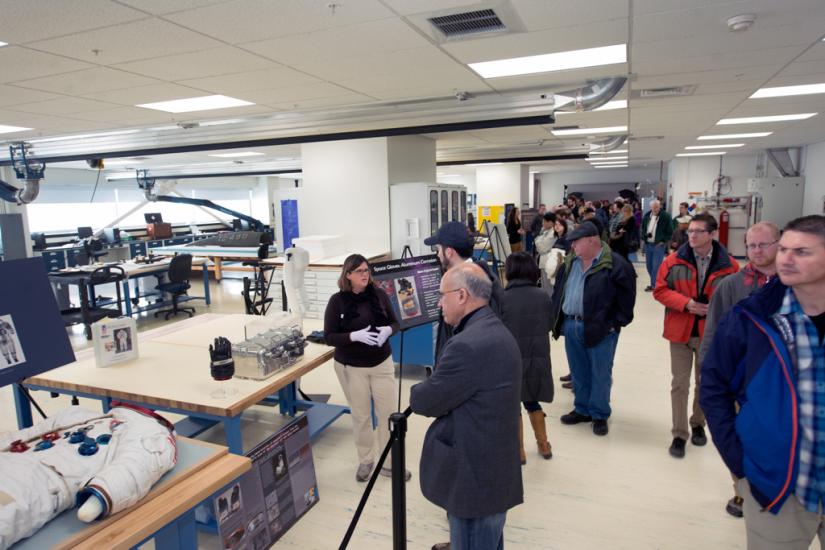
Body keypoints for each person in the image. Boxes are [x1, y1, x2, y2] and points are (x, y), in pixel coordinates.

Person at [701, 215, 825, 549]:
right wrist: (741, 464)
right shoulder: (752, 317)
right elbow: (713, 386)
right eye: (783, 249)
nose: (786, 258)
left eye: (801, 251)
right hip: (778, 487)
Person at [411, 263, 523, 550]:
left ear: (461, 295)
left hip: (475, 479)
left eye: (442, 295)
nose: (439, 302)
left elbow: (427, 400)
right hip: (494, 471)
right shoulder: (494, 328)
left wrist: (416, 389)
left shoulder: (468, 345)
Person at [697, 221, 779, 518]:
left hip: (778, 384)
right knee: (741, 436)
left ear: (778, 244)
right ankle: (741, 489)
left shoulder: (794, 284)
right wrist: (707, 370)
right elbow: (713, 330)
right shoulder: (732, 286)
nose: (757, 251)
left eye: (764, 244)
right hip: (738, 379)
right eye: (751, 245)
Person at [653, 213, 739, 459]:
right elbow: (660, 290)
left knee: (704, 383)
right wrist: (687, 303)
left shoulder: (729, 266)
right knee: (679, 384)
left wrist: (712, 308)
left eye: (698, 231)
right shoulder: (672, 261)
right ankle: (679, 434)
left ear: (712, 234)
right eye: (690, 231)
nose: (691, 235)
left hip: (710, 334)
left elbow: (733, 299)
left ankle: (697, 423)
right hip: (679, 331)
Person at [323, 254, 407, 482]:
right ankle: (366, 460)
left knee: (388, 414)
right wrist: (353, 336)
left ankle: (389, 463)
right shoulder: (336, 301)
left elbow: (395, 322)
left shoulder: (379, 295)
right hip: (352, 367)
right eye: (359, 271)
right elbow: (329, 337)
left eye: (366, 270)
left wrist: (388, 331)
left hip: (381, 363)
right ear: (348, 275)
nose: (365, 274)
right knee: (361, 416)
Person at [551, 221, 637, 435]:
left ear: (592, 241)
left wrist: (613, 324)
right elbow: (558, 291)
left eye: (576, 242)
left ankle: (599, 414)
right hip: (572, 325)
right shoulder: (570, 263)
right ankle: (582, 409)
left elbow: (626, 302)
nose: (572, 247)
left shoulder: (616, 265)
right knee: (578, 371)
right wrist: (558, 319)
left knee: (600, 372)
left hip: (601, 328)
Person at [501, 252, 554, 463]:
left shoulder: (503, 299)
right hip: (536, 356)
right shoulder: (542, 296)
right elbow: (549, 324)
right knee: (532, 401)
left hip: (511, 359)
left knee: (513, 405)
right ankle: (543, 445)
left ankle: (519, 451)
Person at [425, 221, 504, 361]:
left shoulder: (480, 287)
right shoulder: (471, 280)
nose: (437, 255)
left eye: (438, 249)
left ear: (449, 252)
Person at [642, 199, 673, 291]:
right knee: (649, 266)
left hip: (658, 245)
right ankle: (658, 282)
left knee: (656, 267)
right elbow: (643, 229)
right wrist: (644, 236)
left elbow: (670, 231)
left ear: (660, 207)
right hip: (648, 245)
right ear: (650, 207)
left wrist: (663, 241)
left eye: (657, 207)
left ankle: (654, 285)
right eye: (654, 207)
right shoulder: (647, 216)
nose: (656, 209)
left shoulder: (665, 216)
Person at [533, 212, 558, 295]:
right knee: (544, 286)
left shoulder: (553, 233)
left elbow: (541, 248)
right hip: (544, 263)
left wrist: (537, 240)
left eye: (544, 222)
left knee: (548, 288)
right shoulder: (546, 231)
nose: (542, 224)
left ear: (550, 222)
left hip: (549, 264)